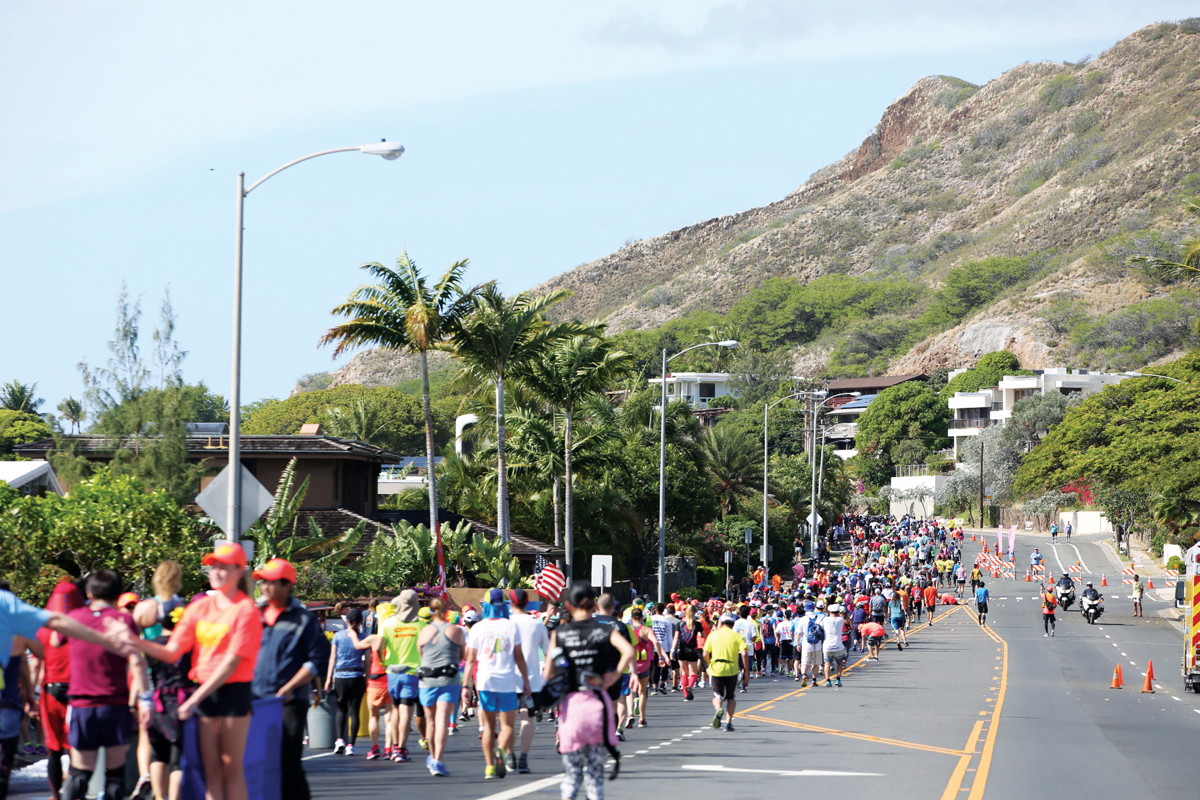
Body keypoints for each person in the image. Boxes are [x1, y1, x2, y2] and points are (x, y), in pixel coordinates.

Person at [137, 541, 263, 800]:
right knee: (211, 770)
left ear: (239, 571)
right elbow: (172, 651)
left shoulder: (245, 609)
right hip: (203, 693)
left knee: (231, 768)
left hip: (232, 692)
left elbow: (231, 662)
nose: (216, 572)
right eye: (213, 567)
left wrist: (194, 699)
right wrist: (133, 641)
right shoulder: (199, 607)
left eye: (223, 567)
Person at [60, 570, 148, 800]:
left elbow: (54, 641)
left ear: (89, 592)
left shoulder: (75, 617)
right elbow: (136, 662)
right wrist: (144, 701)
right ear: (118, 593)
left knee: (79, 775)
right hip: (115, 705)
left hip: (82, 705)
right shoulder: (123, 620)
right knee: (115, 777)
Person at [546, 581, 634, 800]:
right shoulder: (604, 630)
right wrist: (614, 675)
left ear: (569, 605)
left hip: (571, 709)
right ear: (594, 605)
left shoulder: (560, 633)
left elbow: (548, 673)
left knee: (572, 776)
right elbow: (628, 650)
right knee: (594, 778)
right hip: (598, 707)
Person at [251, 558, 327, 800]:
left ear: (287, 585)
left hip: (289, 702)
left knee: (287, 764)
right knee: (258, 763)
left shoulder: (303, 620)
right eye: (263, 582)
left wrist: (289, 687)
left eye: (271, 582)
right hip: (256, 701)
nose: (265, 587)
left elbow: (317, 660)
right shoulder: (254, 616)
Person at [463, 588, 531, 779]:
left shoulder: (477, 628)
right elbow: (519, 657)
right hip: (507, 681)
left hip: (484, 681)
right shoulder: (511, 627)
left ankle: (489, 767)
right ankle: (501, 749)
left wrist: (466, 686)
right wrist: (526, 681)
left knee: (488, 727)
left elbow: (470, 659)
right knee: (507, 725)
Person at [34, 580, 82, 800]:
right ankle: (75, 794)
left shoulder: (43, 628)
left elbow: (36, 664)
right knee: (75, 747)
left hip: (50, 692)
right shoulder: (82, 628)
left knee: (53, 749)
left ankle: (55, 796)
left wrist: (33, 694)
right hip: (78, 694)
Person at [141, 595, 193, 800]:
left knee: (158, 754)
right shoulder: (187, 646)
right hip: (181, 702)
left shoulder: (150, 645)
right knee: (178, 757)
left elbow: (144, 673)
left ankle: (159, 797)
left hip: (157, 702)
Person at [416, 597, 464, 777]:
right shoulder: (455, 630)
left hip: (427, 680)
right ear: (446, 611)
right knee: (442, 721)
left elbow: (421, 655)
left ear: (430, 612)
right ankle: (438, 760)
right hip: (448, 680)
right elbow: (461, 655)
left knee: (431, 721)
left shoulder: (424, 631)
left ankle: (432, 756)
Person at [377, 589, 424, 763]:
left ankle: (394, 746)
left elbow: (378, 646)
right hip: (411, 672)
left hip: (392, 672)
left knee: (395, 709)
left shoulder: (388, 624)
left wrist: (383, 663)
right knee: (406, 711)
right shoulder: (421, 625)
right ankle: (400, 749)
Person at [508, 589, 548, 774]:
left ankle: (510, 756)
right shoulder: (537, 625)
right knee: (527, 719)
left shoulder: (506, 624)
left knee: (507, 722)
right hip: (531, 682)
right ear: (527, 603)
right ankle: (523, 758)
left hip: (507, 680)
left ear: (511, 604)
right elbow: (548, 653)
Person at [325, 608, 367, 756]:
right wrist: (367, 678)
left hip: (341, 676)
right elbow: (367, 660)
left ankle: (339, 740)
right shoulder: (363, 638)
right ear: (361, 622)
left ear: (346, 621)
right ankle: (351, 745)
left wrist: (328, 678)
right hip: (357, 675)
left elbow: (332, 657)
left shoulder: (338, 636)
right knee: (354, 710)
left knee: (341, 709)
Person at [703, 613, 749, 732]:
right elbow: (744, 653)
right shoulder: (737, 636)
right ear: (733, 624)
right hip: (732, 669)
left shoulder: (713, 635)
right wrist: (746, 671)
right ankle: (728, 723)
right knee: (731, 697)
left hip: (716, 668)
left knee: (717, 696)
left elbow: (705, 653)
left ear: (721, 622)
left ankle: (718, 708)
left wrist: (709, 664)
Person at [821, 605, 847, 687]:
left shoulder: (825, 620)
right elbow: (844, 615)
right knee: (840, 663)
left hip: (827, 645)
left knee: (827, 663)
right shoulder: (841, 619)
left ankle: (828, 680)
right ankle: (838, 679)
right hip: (838, 645)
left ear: (829, 611)